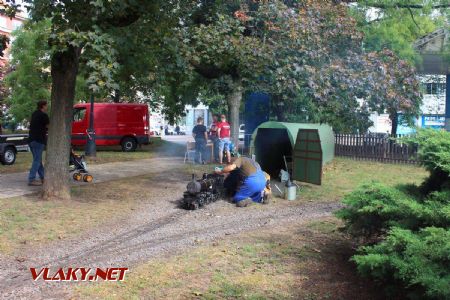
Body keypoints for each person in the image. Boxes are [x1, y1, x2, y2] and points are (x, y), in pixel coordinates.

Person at [28, 100, 49, 186]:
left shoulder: (34, 113)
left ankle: (43, 177)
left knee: (38, 160)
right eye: (46, 105)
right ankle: (31, 179)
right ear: (43, 106)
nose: (47, 107)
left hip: (31, 140)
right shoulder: (44, 115)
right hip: (39, 141)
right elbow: (49, 126)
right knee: (37, 160)